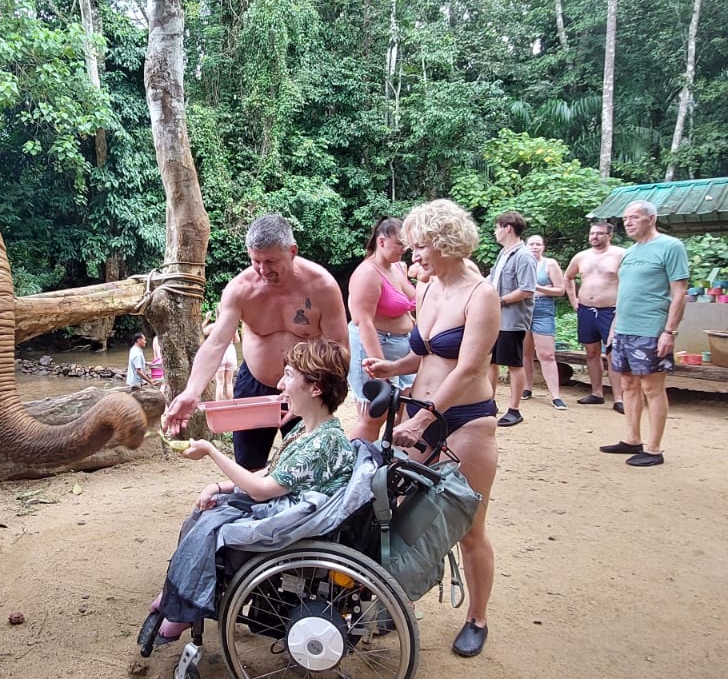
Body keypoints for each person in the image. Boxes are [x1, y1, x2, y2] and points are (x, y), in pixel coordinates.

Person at [363, 199, 500, 658]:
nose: (413, 254)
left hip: (465, 419)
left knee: (469, 526)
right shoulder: (426, 288)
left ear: (445, 243)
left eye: (420, 245)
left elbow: (468, 367)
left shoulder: (481, 294)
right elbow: (425, 355)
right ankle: (395, 598)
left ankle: (477, 618)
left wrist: (423, 418)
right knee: (399, 512)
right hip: (419, 414)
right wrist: (392, 366)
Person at [149, 338, 356, 640]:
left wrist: (211, 451)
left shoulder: (322, 443)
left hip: (291, 524)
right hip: (285, 508)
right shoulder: (310, 429)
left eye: (289, 375)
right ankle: (178, 594)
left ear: (316, 388)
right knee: (202, 514)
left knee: (210, 525)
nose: (280, 384)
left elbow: (261, 489)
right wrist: (219, 487)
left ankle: (184, 607)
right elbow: (273, 472)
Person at [162, 215, 350, 470]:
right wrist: (192, 391)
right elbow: (216, 343)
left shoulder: (321, 286)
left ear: (292, 251)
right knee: (248, 465)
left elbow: (338, 349)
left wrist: (318, 394)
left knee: (308, 465)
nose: (263, 270)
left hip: (306, 386)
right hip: (255, 384)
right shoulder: (240, 289)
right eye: (255, 261)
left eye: (271, 261)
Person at [599, 201, 688, 467]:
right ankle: (632, 439)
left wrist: (669, 331)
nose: (628, 222)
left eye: (634, 217)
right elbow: (624, 294)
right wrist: (614, 329)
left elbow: (680, 293)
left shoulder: (671, 246)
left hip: (651, 328)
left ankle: (654, 448)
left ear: (651, 219)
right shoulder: (630, 252)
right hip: (624, 329)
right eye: (626, 218)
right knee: (627, 384)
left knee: (652, 386)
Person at [346, 217, 417, 418]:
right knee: (373, 416)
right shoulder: (367, 273)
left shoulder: (398, 268)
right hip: (376, 344)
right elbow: (364, 322)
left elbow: (409, 302)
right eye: (399, 244)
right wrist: (378, 365)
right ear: (381, 241)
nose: (404, 249)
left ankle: (392, 441)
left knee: (405, 409)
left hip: (403, 347)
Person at [562, 221, 626, 412]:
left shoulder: (621, 255)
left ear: (609, 235)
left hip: (610, 310)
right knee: (591, 352)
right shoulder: (582, 256)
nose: (595, 237)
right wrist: (574, 300)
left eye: (599, 233)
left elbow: (630, 281)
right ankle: (597, 393)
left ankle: (619, 398)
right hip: (586, 310)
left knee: (613, 353)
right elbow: (568, 277)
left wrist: (623, 306)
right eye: (592, 233)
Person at [488, 211, 536, 428]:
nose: (495, 232)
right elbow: (492, 279)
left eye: (497, 227)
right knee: (492, 361)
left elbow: (527, 289)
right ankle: (489, 403)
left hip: (512, 320)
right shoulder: (503, 253)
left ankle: (514, 410)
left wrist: (499, 301)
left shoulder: (524, 256)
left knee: (514, 364)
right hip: (497, 319)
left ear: (508, 228)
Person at [521, 235, 568, 409]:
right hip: (523, 309)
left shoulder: (550, 264)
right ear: (526, 246)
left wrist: (537, 287)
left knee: (547, 354)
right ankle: (526, 388)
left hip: (543, 310)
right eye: (531, 244)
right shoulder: (521, 263)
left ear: (543, 247)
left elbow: (560, 290)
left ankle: (555, 396)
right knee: (525, 352)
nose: (534, 247)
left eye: (538, 244)